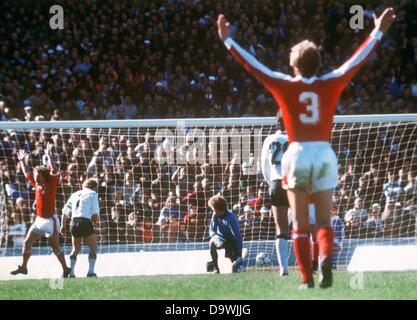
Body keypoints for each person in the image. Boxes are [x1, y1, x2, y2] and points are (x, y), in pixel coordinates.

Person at [217, 9, 396, 288]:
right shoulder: (331, 82)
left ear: (293, 64)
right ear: (317, 63)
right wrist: (377, 31)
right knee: (323, 220)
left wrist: (228, 41)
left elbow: (254, 67)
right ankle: (324, 259)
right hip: (324, 153)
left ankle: (306, 279)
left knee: (299, 224)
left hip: (297, 153)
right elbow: (356, 61)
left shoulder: (284, 86)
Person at [11, 144, 71, 277]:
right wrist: (21, 160)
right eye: (35, 175)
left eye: (38, 175)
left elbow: (54, 169)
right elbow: (26, 173)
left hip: (51, 221)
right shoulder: (36, 184)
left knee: (54, 248)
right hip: (39, 220)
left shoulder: (51, 183)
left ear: (44, 176)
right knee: (27, 242)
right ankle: (24, 267)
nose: (36, 177)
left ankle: (66, 268)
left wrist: (49, 155)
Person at [261, 111, 290, 276]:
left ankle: (283, 268)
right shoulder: (295, 139)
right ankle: (309, 264)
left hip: (276, 183)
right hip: (294, 183)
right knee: (301, 225)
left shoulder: (269, 139)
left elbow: (264, 166)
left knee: (281, 228)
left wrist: (271, 181)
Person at [60, 179, 100, 278]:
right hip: (85, 221)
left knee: (75, 249)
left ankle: (72, 273)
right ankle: (91, 272)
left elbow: (64, 212)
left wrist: (62, 225)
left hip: (73, 222)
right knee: (93, 247)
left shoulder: (74, 194)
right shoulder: (93, 194)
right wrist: (94, 225)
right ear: (94, 187)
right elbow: (95, 213)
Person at [206, 195, 244, 274]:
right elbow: (211, 230)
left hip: (231, 241)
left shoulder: (231, 218)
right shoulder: (215, 215)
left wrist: (239, 253)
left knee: (235, 264)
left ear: (219, 209)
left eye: (213, 209)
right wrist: (215, 237)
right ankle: (216, 269)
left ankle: (237, 264)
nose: (212, 210)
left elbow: (237, 236)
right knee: (212, 243)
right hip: (221, 239)